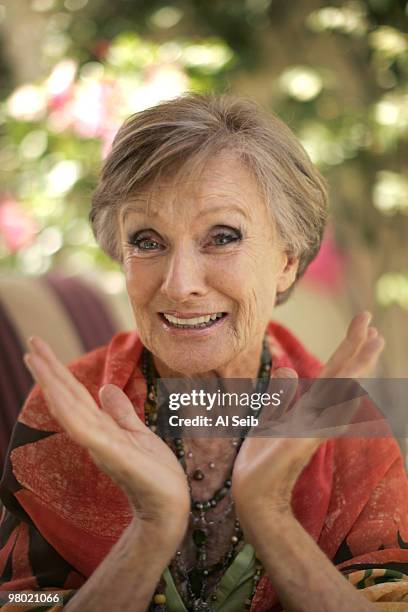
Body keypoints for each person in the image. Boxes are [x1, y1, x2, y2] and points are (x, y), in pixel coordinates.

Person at [0, 94, 407, 612]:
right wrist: (150, 529)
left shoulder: (344, 423)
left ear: (286, 260)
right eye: (147, 240)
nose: (179, 284)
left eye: (222, 236)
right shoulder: (67, 411)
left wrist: (270, 513)